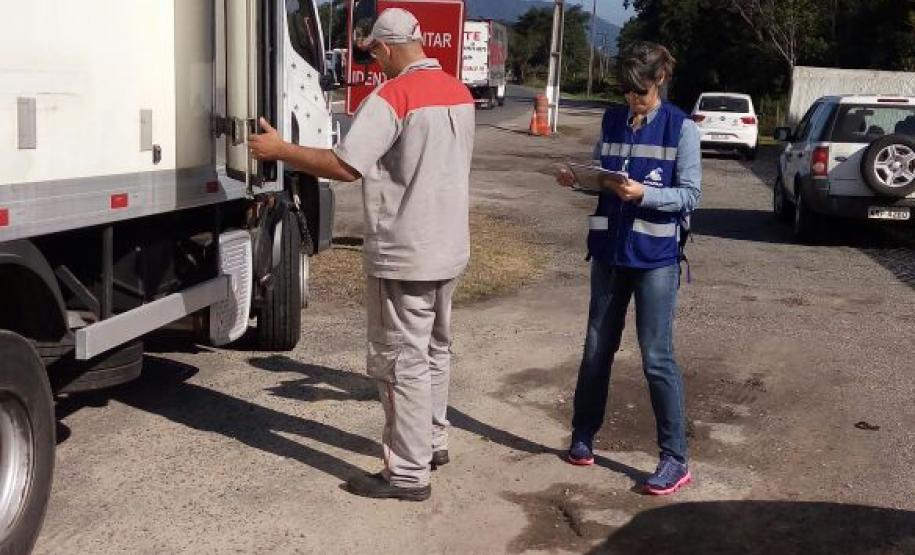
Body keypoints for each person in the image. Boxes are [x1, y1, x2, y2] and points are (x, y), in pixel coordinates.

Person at [249, 8, 475, 501]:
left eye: (374, 53)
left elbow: (344, 165)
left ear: (388, 48)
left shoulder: (394, 96)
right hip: (448, 247)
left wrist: (279, 149)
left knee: (401, 362)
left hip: (406, 252)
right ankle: (433, 442)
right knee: (435, 350)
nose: (375, 62)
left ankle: (408, 473)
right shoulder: (458, 92)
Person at [555, 41, 702, 495]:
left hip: (655, 259)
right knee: (596, 348)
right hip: (609, 254)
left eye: (640, 92)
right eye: (626, 92)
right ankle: (583, 436)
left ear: (659, 80)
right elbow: (604, 178)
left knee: (656, 357)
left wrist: (645, 195)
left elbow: (690, 196)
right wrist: (579, 180)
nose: (632, 100)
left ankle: (674, 458)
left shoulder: (681, 129)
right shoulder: (613, 119)